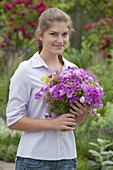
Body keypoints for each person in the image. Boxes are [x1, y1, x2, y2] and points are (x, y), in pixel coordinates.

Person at [6, 8, 89, 170]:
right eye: (53, 34)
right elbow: (13, 119)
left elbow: (73, 122)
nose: (60, 40)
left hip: (67, 159)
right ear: (40, 35)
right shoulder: (26, 71)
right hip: (34, 160)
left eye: (64, 34)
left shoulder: (73, 70)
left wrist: (82, 112)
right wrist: (52, 123)